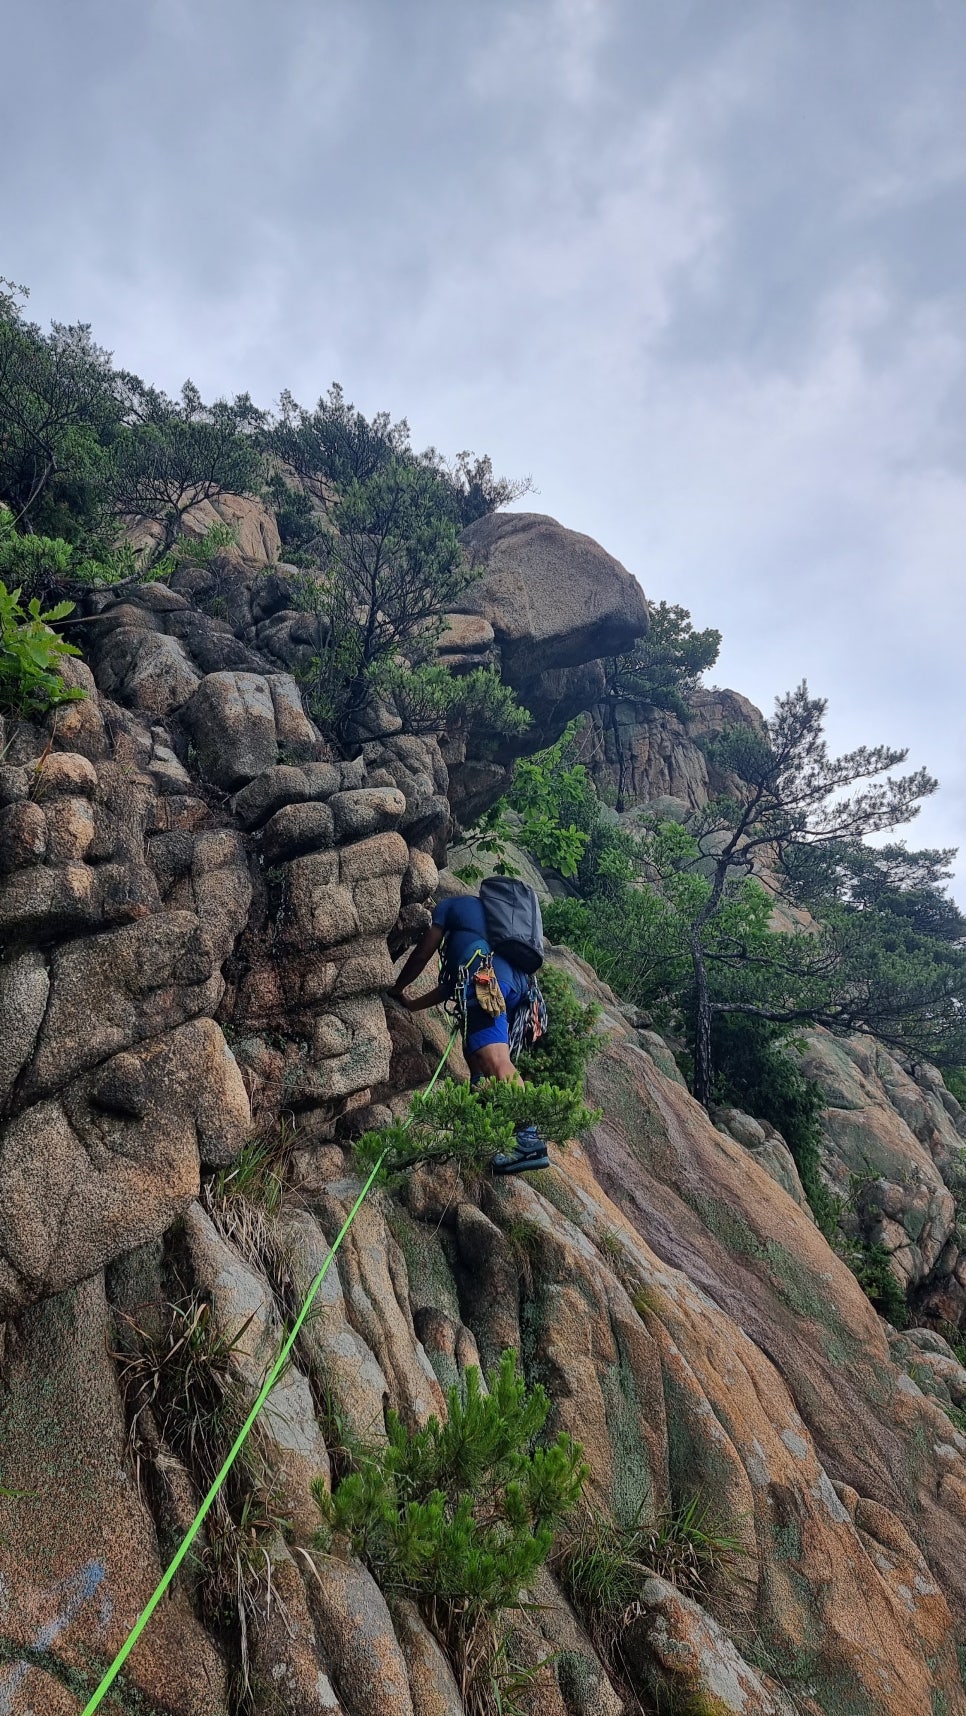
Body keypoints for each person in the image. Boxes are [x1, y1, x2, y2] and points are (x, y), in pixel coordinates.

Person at [387, 890, 550, 1174]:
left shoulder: (449, 907)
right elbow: (451, 986)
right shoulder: (493, 926)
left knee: (495, 1060)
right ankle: (482, 1109)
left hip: (487, 981)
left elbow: (423, 953)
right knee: (473, 1048)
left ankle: (529, 1139)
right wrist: (412, 1005)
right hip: (517, 986)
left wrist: (396, 987)